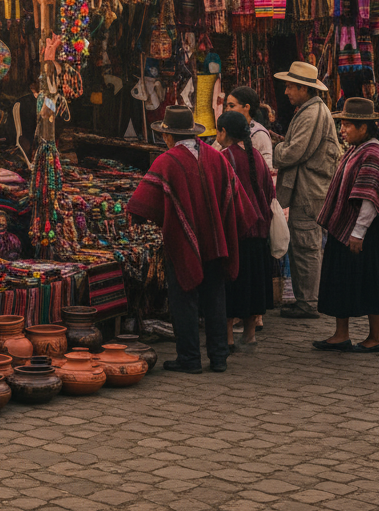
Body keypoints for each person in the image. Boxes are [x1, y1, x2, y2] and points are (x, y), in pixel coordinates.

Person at [129, 106, 243, 374]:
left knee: (184, 298)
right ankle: (218, 357)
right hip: (216, 242)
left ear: (169, 136)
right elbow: (235, 198)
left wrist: (137, 218)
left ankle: (189, 358)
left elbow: (142, 203)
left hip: (184, 242)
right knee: (215, 298)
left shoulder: (167, 161)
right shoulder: (217, 158)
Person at [313, 98, 379, 353]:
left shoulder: (373, 154)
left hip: (366, 232)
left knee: (370, 280)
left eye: (347, 125)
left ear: (364, 128)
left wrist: (357, 232)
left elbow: (370, 197)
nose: (342, 130)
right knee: (341, 278)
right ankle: (340, 334)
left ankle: (375, 337)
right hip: (347, 228)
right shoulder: (357, 149)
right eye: (342, 124)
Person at [272, 61, 342, 320]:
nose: (287, 91)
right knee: (305, 244)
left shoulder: (312, 114)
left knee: (306, 244)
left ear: (304, 88)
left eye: (290, 86)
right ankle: (305, 299)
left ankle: (308, 302)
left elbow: (293, 152)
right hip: (310, 188)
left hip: (310, 191)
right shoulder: (310, 111)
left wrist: (275, 151)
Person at [215, 111, 274, 348]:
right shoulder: (256, 156)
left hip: (236, 232)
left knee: (232, 283)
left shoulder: (224, 157)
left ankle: (228, 337)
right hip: (258, 231)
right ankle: (250, 335)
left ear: (223, 132)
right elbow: (270, 191)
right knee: (254, 283)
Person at [225, 86, 275, 174]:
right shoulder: (229, 129)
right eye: (227, 106)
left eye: (232, 106)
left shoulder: (259, 134)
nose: (227, 109)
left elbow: (266, 169)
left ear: (246, 107)